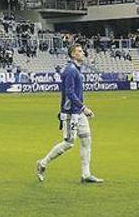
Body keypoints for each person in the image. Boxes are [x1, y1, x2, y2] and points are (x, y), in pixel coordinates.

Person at [35, 43, 102, 184]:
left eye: (82, 50)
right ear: (73, 54)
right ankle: (42, 163)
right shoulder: (71, 70)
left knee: (86, 140)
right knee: (69, 143)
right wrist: (84, 108)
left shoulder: (75, 69)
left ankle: (86, 174)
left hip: (78, 112)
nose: (82, 52)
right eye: (79, 51)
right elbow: (69, 93)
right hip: (71, 112)